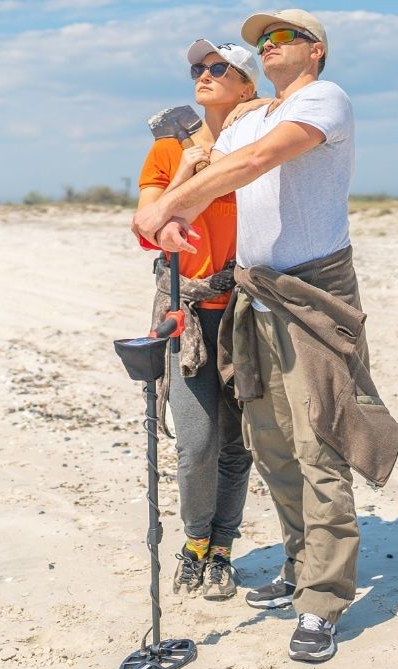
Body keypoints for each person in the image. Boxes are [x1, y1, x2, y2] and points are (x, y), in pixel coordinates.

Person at [131, 9, 398, 662]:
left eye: (283, 38)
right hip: (254, 294)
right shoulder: (249, 116)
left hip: (313, 294)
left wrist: (172, 203)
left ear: (315, 53)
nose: (269, 46)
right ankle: (300, 561)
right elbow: (200, 179)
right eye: (263, 41)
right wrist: (166, 215)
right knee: (270, 444)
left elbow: (257, 162)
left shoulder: (324, 101)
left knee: (320, 444)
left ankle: (324, 600)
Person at [135, 39, 259, 601]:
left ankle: (223, 548)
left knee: (239, 444)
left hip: (248, 313)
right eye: (197, 69)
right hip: (185, 314)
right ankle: (194, 540)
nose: (202, 74)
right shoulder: (168, 150)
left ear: (247, 86)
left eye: (217, 68)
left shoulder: (260, 148)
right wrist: (187, 169)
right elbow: (145, 224)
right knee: (197, 442)